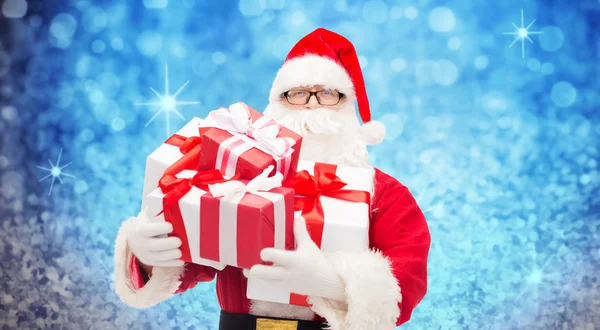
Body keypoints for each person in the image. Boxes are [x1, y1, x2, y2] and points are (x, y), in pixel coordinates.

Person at [114, 28, 430, 330]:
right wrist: (147, 255)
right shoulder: (236, 179)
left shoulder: (385, 193)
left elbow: (408, 278)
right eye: (298, 93)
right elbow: (196, 252)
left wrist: (330, 282)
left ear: (349, 107)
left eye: (328, 94)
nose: (311, 104)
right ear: (277, 104)